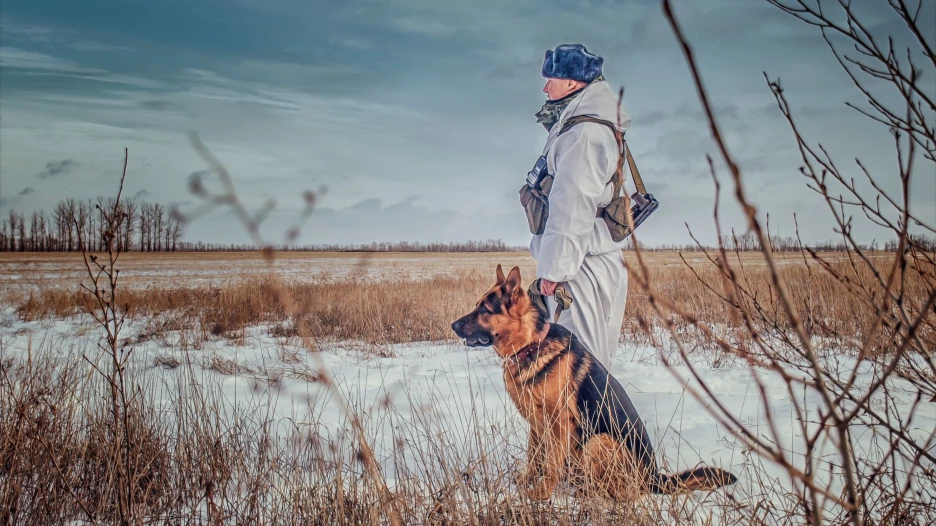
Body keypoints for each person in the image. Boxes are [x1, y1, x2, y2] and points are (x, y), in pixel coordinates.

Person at [526, 43, 630, 371]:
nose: (545, 87)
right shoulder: (587, 125)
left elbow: (571, 207)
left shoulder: (583, 133)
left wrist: (554, 272)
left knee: (580, 366)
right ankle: (594, 423)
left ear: (572, 83)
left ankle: (592, 424)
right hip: (587, 257)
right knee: (588, 363)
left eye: (550, 79)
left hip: (581, 264)